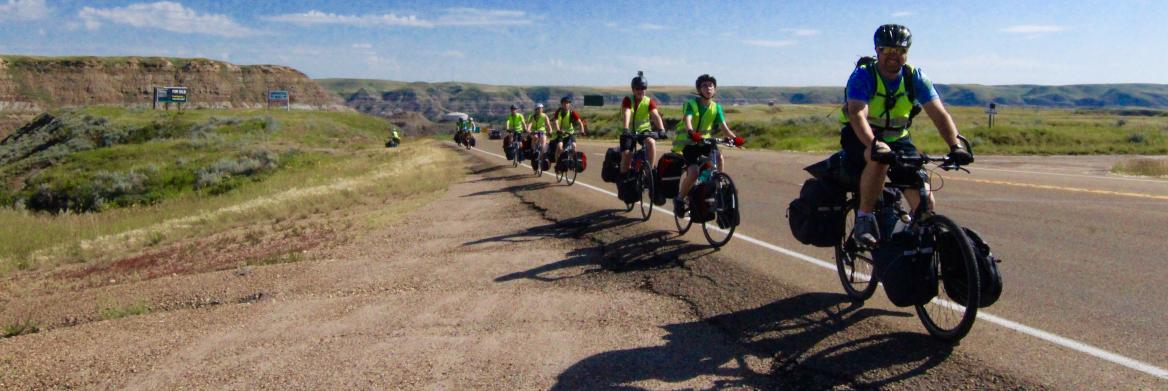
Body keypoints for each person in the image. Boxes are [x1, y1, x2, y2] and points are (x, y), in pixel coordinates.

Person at [841, 24, 973, 248]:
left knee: (925, 203)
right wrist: (874, 144)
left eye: (900, 51)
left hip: (898, 138)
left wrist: (955, 145)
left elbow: (939, 113)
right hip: (861, 135)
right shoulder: (863, 76)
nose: (894, 56)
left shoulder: (915, 77)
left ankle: (904, 242)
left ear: (907, 53)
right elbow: (857, 113)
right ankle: (864, 217)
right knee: (879, 159)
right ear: (877, 50)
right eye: (888, 50)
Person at [673, 74, 738, 215]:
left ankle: (717, 186)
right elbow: (688, 119)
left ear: (714, 89)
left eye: (711, 85)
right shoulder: (691, 104)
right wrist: (691, 132)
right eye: (704, 85)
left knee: (719, 158)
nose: (708, 88)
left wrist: (735, 138)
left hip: (706, 142)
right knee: (695, 172)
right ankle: (679, 198)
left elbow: (724, 128)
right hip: (690, 143)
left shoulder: (716, 107)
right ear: (699, 89)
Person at [619, 71, 665, 176]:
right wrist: (626, 129)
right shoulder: (628, 99)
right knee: (627, 154)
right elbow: (627, 112)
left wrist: (661, 129)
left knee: (651, 143)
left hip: (644, 131)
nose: (640, 91)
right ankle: (623, 178)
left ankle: (650, 172)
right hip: (629, 131)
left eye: (643, 88)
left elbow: (655, 115)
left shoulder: (649, 101)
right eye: (637, 89)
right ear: (633, 90)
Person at [552, 96, 587, 167]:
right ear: (561, 104)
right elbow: (555, 121)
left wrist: (582, 131)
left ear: (569, 104)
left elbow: (580, 122)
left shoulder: (572, 112)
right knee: (559, 147)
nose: (566, 104)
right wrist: (558, 130)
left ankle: (571, 161)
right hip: (561, 133)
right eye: (564, 103)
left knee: (574, 145)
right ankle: (557, 164)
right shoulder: (558, 112)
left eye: (567, 103)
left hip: (570, 132)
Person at [526, 103, 553, 172]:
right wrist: (528, 130)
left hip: (542, 132)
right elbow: (529, 125)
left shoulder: (544, 116)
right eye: (538, 109)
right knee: (534, 137)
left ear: (542, 109)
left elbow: (548, 124)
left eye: (541, 109)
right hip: (534, 132)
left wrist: (550, 131)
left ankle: (542, 156)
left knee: (543, 143)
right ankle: (533, 151)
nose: (539, 110)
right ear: (535, 110)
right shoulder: (532, 117)